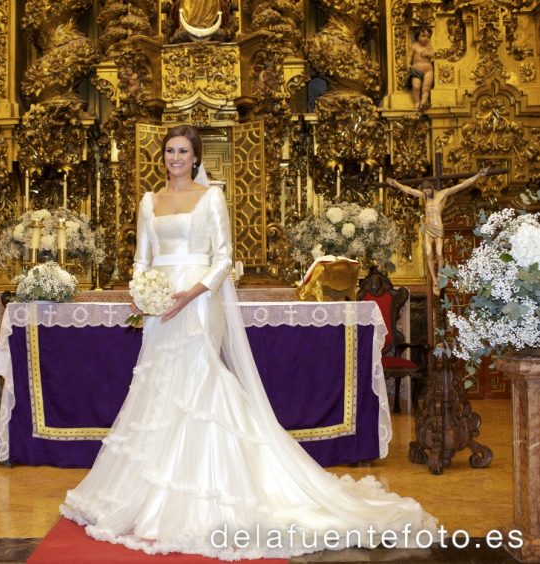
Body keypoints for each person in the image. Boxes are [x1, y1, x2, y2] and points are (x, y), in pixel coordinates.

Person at [60, 125, 436, 559]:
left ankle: (205, 490)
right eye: (169, 151)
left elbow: (223, 257)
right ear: (161, 156)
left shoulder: (211, 198)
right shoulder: (149, 201)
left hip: (199, 303)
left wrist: (192, 291)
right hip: (161, 305)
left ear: (196, 157)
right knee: (159, 384)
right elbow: (142, 257)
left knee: (200, 379)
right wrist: (144, 291)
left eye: (183, 151)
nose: (176, 157)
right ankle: (153, 491)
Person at [387, 167, 489, 295]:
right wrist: (396, 183)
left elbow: (462, 185)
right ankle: (434, 280)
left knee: (439, 253)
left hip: (438, 227)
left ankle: (440, 276)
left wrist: (478, 174)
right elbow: (408, 190)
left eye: (427, 191)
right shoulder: (424, 196)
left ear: (432, 187)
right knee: (429, 253)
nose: (426, 193)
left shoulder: (443, 194)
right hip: (428, 227)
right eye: (424, 191)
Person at [407, 27, 434, 110]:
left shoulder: (429, 46)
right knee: (416, 86)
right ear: (417, 37)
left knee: (426, 88)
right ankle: (416, 101)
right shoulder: (414, 46)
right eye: (423, 36)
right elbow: (409, 56)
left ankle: (423, 102)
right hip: (416, 70)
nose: (426, 38)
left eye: (428, 36)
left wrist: (428, 54)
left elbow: (433, 54)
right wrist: (408, 64)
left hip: (428, 70)